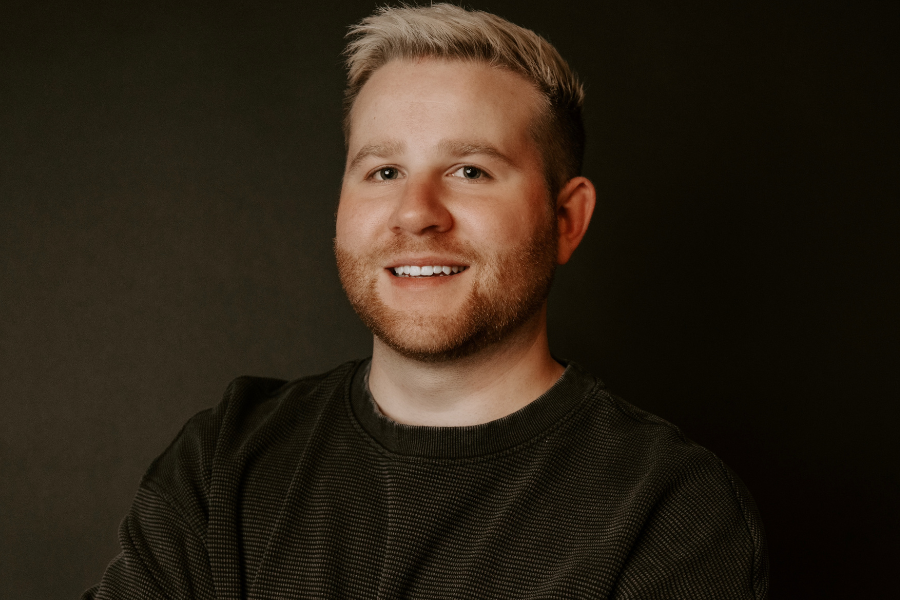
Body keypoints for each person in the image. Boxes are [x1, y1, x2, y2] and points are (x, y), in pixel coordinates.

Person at [84, 4, 768, 599]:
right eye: (384, 171)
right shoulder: (224, 460)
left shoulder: (668, 508)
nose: (416, 214)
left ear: (567, 219)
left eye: (470, 171)